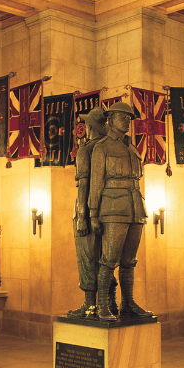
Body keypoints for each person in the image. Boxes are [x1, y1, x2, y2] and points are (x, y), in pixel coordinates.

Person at [89, 102, 153, 321]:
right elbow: (96, 182)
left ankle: (128, 304)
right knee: (109, 259)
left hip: (135, 205)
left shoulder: (131, 146)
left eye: (129, 118)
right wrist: (93, 213)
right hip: (113, 206)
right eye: (122, 117)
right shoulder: (103, 147)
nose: (127, 121)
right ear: (111, 120)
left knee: (129, 260)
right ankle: (102, 306)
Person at [67, 107, 118, 318]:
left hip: (88, 211)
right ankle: (110, 302)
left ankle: (89, 304)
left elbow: (84, 186)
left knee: (87, 257)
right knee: (107, 259)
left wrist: (81, 215)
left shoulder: (86, 150)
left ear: (89, 127)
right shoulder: (112, 147)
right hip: (109, 210)